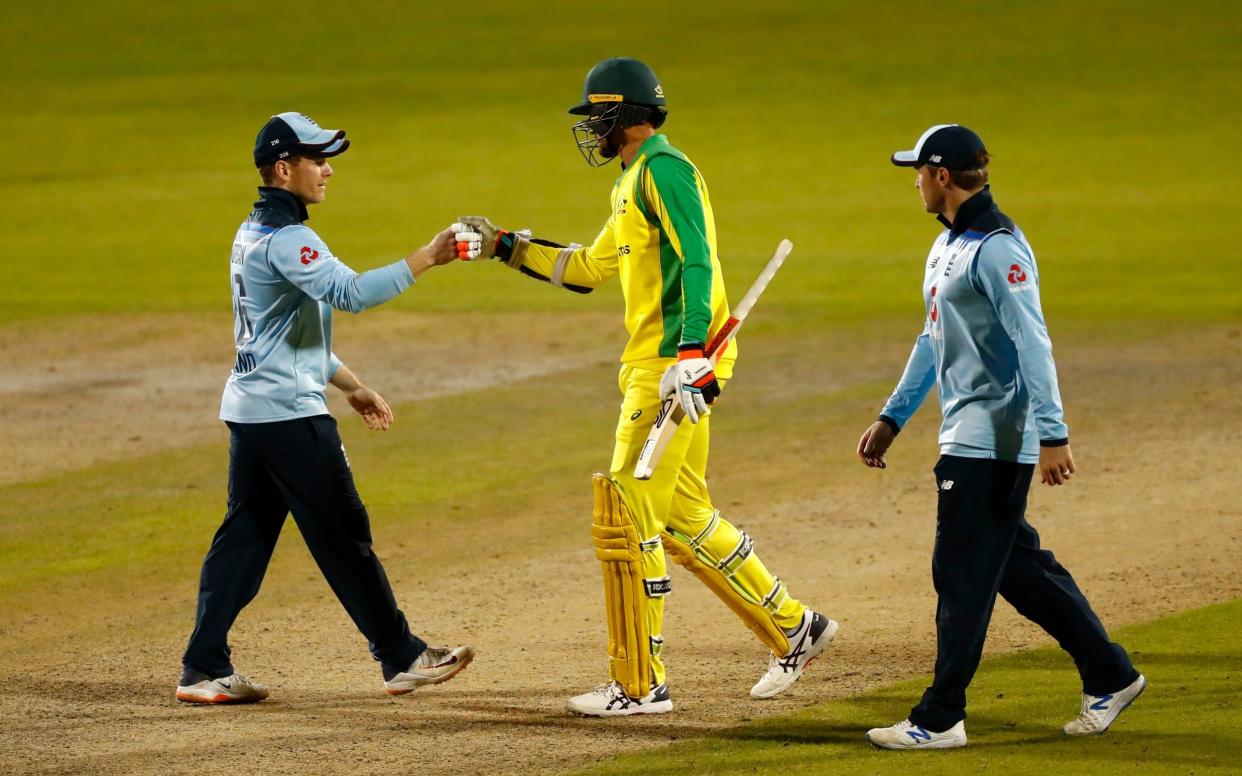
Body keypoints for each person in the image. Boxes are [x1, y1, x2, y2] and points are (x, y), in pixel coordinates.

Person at [453, 58, 835, 717]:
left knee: (625, 516)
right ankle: (795, 627)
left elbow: (697, 258)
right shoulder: (633, 181)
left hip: (674, 370)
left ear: (626, 117)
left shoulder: (666, 169)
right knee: (681, 517)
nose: (590, 129)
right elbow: (591, 267)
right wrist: (505, 246)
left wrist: (691, 353)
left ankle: (639, 684)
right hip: (660, 367)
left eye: (597, 116)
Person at [857, 124, 1145, 749]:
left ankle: (940, 718)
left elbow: (1032, 340)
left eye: (917, 172)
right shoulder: (948, 247)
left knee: (959, 573)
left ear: (940, 175)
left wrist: (1053, 433)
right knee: (1014, 567)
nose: (913, 182)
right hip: (965, 434)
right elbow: (931, 339)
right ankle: (1111, 674)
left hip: (992, 440)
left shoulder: (997, 248)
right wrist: (893, 416)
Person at [176, 112, 473, 704]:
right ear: (284, 169)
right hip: (288, 417)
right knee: (344, 536)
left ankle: (203, 667)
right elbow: (353, 293)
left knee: (245, 539)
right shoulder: (290, 239)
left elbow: (286, 334)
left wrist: (350, 384)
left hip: (253, 409)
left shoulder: (252, 231)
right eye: (318, 160)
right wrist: (428, 257)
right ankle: (401, 656)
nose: (328, 169)